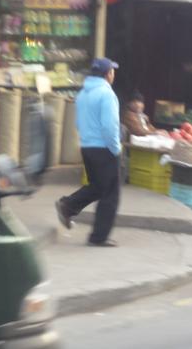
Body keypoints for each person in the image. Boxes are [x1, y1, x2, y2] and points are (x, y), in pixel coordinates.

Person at [55, 58, 122, 247]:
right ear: (108, 74)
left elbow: (78, 123)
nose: (113, 74)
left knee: (98, 187)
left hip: (87, 147)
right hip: (104, 148)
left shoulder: (83, 93)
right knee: (110, 194)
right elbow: (110, 127)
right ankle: (99, 237)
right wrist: (116, 148)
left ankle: (68, 206)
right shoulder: (107, 94)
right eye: (112, 71)